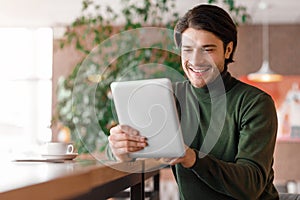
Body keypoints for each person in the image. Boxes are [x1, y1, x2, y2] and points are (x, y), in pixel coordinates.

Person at [107, 4, 279, 200]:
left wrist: (193, 159)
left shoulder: (255, 103)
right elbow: (130, 148)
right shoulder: (170, 97)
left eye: (207, 49)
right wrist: (120, 149)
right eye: (187, 50)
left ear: (228, 50)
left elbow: (251, 186)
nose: (195, 60)